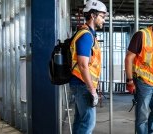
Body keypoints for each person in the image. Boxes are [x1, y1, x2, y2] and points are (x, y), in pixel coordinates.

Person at [69, 0, 107, 133]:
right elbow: (83, 65)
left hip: (81, 83)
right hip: (83, 84)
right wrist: (92, 90)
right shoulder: (86, 35)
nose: (104, 20)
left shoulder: (89, 34)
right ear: (93, 15)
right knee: (88, 123)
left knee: (80, 121)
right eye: (102, 16)